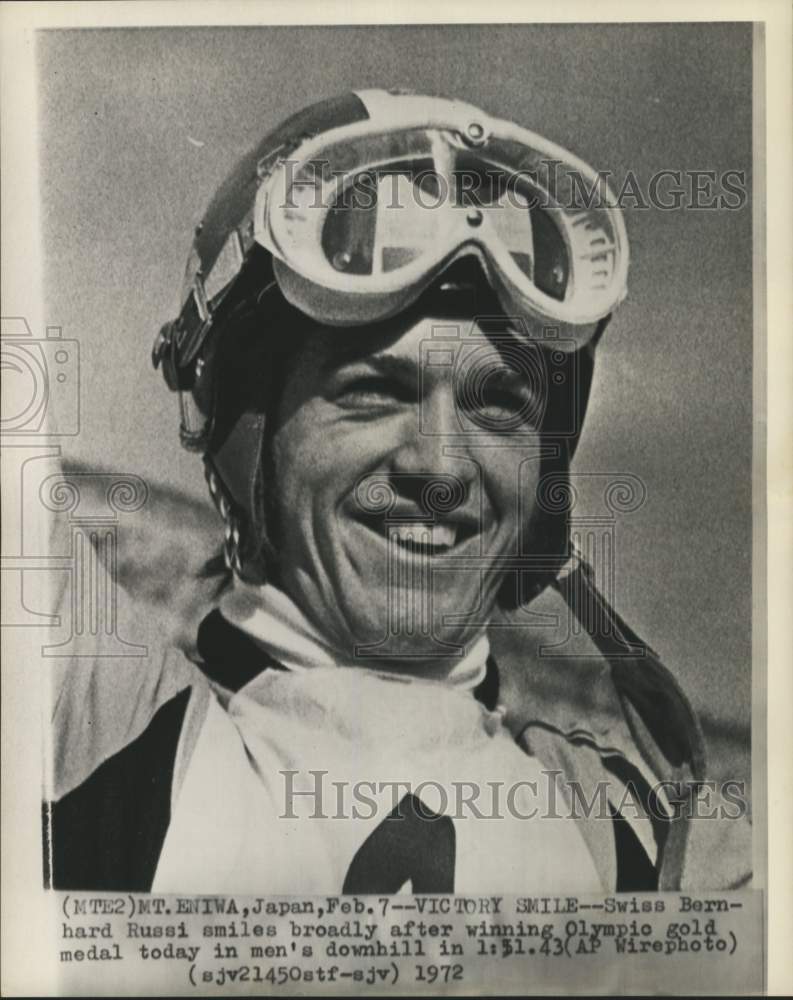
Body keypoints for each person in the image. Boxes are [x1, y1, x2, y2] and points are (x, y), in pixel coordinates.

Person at [45, 89, 751, 893]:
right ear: (247, 437)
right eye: (374, 391)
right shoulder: (95, 731)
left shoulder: (648, 845)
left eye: (498, 404)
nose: (442, 470)